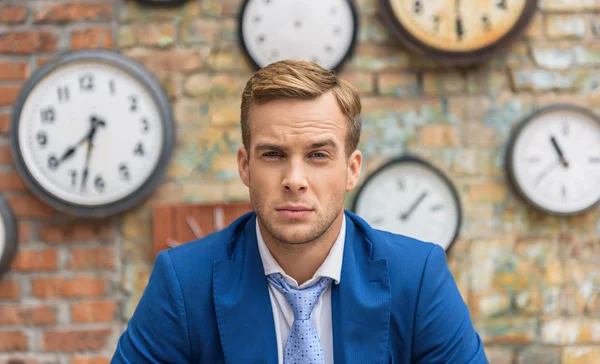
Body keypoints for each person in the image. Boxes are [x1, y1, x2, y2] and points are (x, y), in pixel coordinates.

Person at [111, 60, 488, 364]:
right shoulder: (182, 281)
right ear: (245, 166)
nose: (294, 180)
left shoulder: (418, 276)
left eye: (318, 155)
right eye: (273, 155)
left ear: (352, 170)